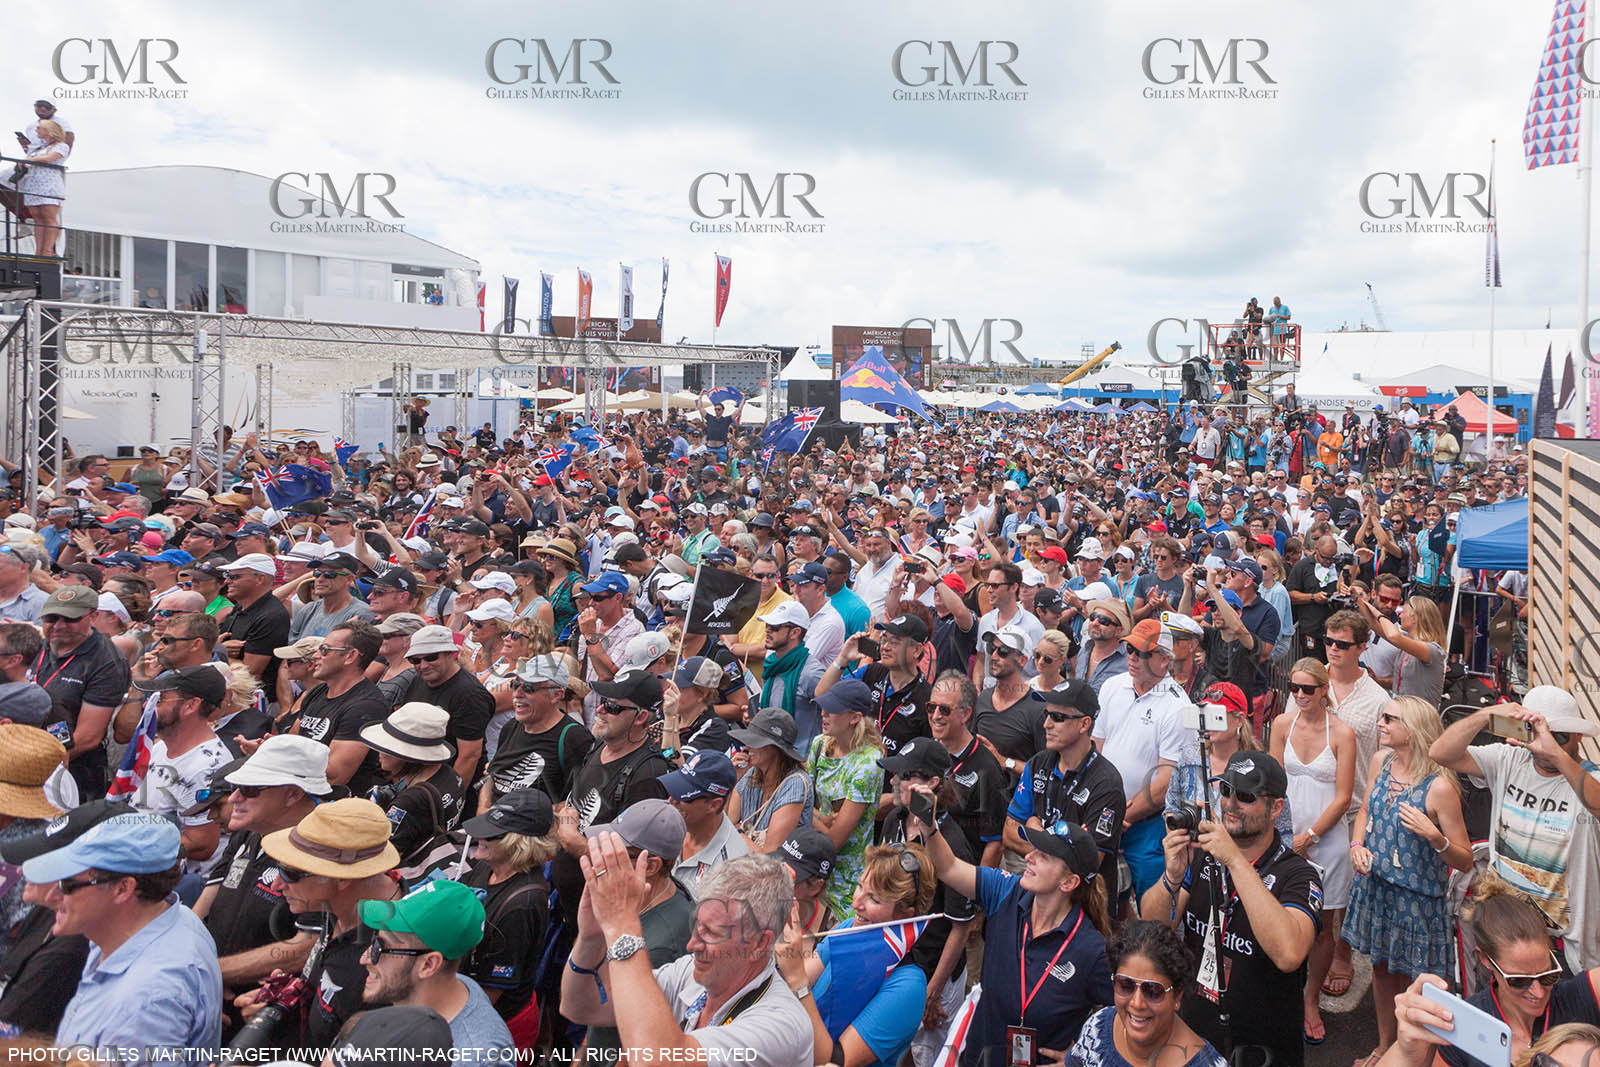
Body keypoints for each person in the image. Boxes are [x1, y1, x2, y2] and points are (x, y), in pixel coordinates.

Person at [1142, 751, 1322, 1067]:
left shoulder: (1298, 875)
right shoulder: (1203, 855)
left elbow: (1289, 953)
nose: (1230, 804)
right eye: (1225, 791)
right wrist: (1171, 878)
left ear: (1276, 807)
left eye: (1246, 796)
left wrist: (1234, 860)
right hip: (1193, 1034)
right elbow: (1154, 925)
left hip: (1263, 1047)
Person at [560, 851, 813, 1067]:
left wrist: (622, 929)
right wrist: (592, 937)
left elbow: (657, 1061)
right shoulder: (691, 973)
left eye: (711, 933)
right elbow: (580, 1006)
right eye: (697, 925)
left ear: (760, 943)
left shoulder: (781, 1026)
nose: (691, 945)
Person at [912, 795, 1113, 1067]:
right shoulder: (1006, 891)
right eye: (1034, 848)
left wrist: (1081, 1058)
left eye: (1043, 856)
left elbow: (1128, 1013)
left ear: (1069, 882)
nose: (1028, 857)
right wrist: (930, 829)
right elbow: (948, 867)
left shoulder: (1091, 949)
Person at [21, 809, 223, 1064]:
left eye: (68, 884)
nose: (51, 897)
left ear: (122, 888)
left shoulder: (145, 1004)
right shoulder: (161, 920)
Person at [1429, 687, 1600, 973]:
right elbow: (1440, 753)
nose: (1546, 745)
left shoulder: (1589, 778)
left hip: (1562, 946)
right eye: (1535, 732)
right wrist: (1485, 716)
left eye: (1559, 736)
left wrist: (1557, 755)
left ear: (1578, 736)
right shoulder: (1508, 759)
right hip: (1503, 930)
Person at [1344, 696, 1473, 1064]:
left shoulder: (1440, 788)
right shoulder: (1380, 762)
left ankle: (1417, 1056)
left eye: (1389, 718)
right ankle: (1386, 1047)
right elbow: (1366, 809)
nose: (1380, 723)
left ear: (1412, 730)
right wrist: (1357, 845)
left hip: (1417, 903)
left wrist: (1435, 837)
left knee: (1422, 986)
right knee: (1382, 973)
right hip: (1378, 890)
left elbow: (1463, 859)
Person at [237, 798, 403, 1047]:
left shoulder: (392, 959)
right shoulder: (337, 902)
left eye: (291, 873)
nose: (276, 884)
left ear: (342, 878)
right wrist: (283, 1002)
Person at [194, 735, 331, 1008]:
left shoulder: (325, 848)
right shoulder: (248, 830)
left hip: (267, 1008)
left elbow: (304, 947)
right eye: (236, 787)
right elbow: (203, 907)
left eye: (250, 789)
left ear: (292, 794)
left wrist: (207, 974)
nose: (234, 798)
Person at [775, 841, 936, 1067]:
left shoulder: (908, 986)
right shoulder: (850, 928)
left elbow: (832, 1060)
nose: (856, 902)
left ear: (904, 915)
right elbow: (788, 991)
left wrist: (796, 980)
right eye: (861, 886)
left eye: (874, 899)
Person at [1268, 657, 1357, 1045]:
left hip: (1327, 840)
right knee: (1274, 912)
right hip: (1283, 836)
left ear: (1324, 691)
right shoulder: (1281, 725)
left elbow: (1343, 798)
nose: (1300, 695)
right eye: (1295, 688)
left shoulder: (1342, 732)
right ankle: (1278, 987)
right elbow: (1272, 784)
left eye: (1308, 689)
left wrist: (1308, 837)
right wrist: (1283, 836)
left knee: (1323, 927)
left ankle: (1309, 999)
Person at [550, 668, 671, 931]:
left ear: (640, 717)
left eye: (614, 707)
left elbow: (635, 865)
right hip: (566, 903)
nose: (601, 710)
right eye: (603, 702)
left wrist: (575, 842)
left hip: (601, 920)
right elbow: (571, 800)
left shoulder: (648, 774)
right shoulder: (597, 746)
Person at [358, 879, 516, 1060]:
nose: (364, 958)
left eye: (380, 947)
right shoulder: (451, 984)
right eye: (373, 939)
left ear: (429, 965)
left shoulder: (474, 1058)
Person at [1094, 619, 1190, 899]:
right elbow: (1097, 748)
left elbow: (1166, 781)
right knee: (1105, 901)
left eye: (1143, 653)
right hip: (1107, 814)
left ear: (1164, 660)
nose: (1133, 657)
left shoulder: (1178, 707)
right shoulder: (1113, 685)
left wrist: (1120, 817)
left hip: (1148, 825)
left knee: (1150, 907)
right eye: (1130, 649)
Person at [1006, 680, 1126, 889]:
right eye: (1047, 715)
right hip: (1042, 895)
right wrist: (1061, 845)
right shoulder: (1038, 764)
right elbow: (1009, 833)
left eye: (1058, 717)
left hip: (1083, 904)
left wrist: (1036, 829)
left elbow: (1087, 862)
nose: (1046, 724)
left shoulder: (1106, 784)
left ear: (1084, 724)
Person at [1066, 919, 1226, 1067]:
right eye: (1125, 985)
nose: (1137, 1003)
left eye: (1153, 991)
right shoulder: (1097, 1030)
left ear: (1177, 996)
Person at [459, 788, 556, 1026]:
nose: (480, 837)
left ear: (519, 843)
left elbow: (487, 997)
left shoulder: (521, 906)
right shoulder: (488, 866)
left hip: (496, 1021)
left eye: (493, 834)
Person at [34, 586, 132, 795]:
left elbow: (88, 736)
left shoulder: (107, 661)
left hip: (68, 769)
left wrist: (34, 766)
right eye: (51, 618)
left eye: (70, 619)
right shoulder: (35, 645)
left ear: (94, 616)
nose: (59, 626)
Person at [1166, 682, 1295, 839]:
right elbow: (1171, 806)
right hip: (1194, 858)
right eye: (1204, 715)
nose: (1208, 722)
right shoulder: (1189, 757)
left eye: (1215, 716)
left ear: (1239, 720)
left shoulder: (1262, 768)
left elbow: (1282, 831)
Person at [807, 678, 885, 921]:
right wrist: (821, 816)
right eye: (823, 706)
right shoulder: (820, 744)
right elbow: (805, 795)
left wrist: (807, 812)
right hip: (810, 869)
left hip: (846, 882)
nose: (824, 713)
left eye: (832, 708)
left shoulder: (868, 764)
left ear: (854, 718)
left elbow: (835, 840)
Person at [360, 701, 465, 871]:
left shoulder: (408, 802)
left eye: (389, 749)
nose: (380, 754)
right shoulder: (451, 775)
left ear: (409, 756)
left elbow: (384, 857)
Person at [482, 654, 593, 808]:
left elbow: (578, 801)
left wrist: (525, 819)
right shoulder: (511, 726)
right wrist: (483, 809)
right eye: (515, 685)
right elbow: (492, 776)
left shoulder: (574, 738)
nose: (517, 694)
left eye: (529, 688)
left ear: (557, 695)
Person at [294, 620, 391, 796]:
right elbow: (292, 739)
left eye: (324, 650)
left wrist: (281, 757)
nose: (315, 656)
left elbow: (335, 776)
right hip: (299, 790)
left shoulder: (366, 707)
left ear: (350, 656)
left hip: (330, 805)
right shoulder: (318, 691)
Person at [395, 624, 494, 789]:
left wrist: (448, 798)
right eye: (415, 660)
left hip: (447, 782)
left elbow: (469, 755)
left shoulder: (470, 694)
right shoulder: (418, 680)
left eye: (431, 657)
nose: (423, 665)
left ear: (450, 654)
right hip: (416, 778)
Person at [727, 707, 815, 851]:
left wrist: (737, 832)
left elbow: (770, 855)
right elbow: (726, 824)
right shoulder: (751, 774)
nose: (747, 746)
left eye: (755, 741)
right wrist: (733, 779)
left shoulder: (795, 783)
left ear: (776, 748)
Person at [661, 749, 751, 890]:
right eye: (673, 790)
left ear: (714, 805)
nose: (671, 800)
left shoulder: (731, 870)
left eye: (683, 796)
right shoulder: (667, 820)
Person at [1358, 593, 1448, 707]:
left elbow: (1393, 636)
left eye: (1403, 612)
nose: (1399, 616)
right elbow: (1372, 623)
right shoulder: (1406, 643)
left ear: (1414, 618)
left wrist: (1379, 614)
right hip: (1400, 712)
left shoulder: (1432, 650)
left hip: (1419, 719)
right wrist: (1358, 599)